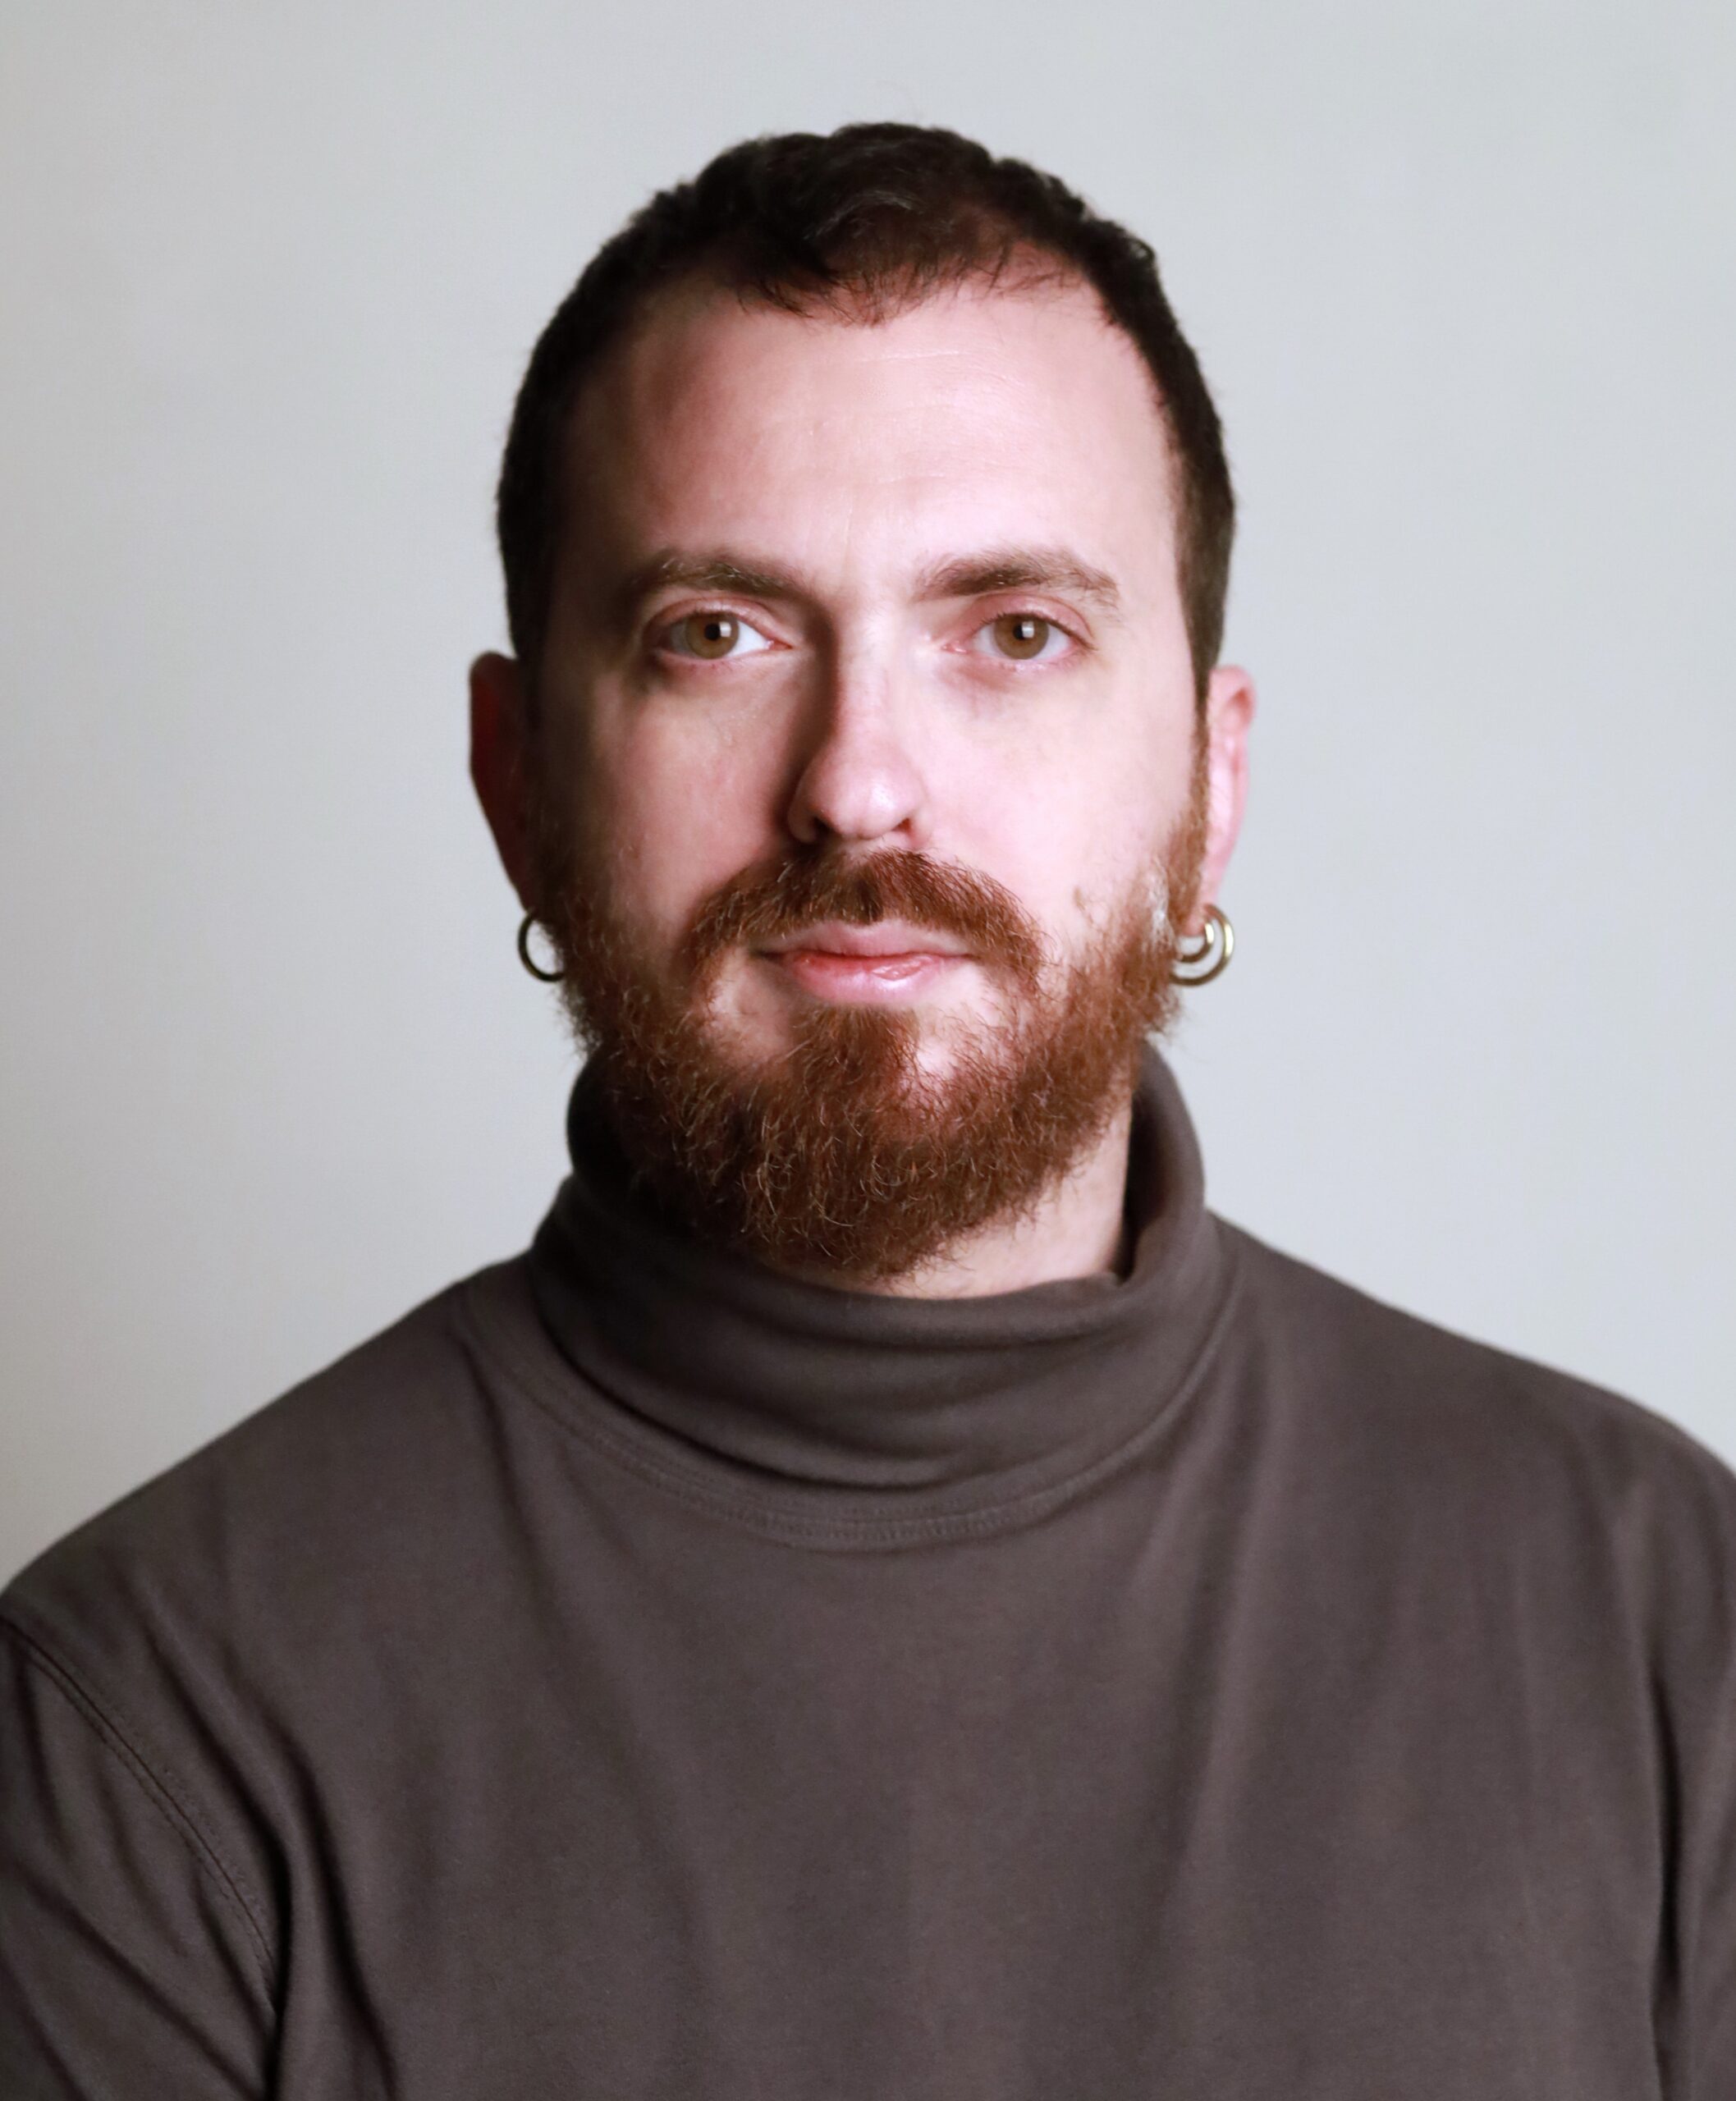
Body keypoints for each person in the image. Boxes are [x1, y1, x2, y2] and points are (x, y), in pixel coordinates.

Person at [2, 121, 1732, 2099]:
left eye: (1013, 632)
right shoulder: (141, 1724)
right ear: (517, 780)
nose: (855, 782)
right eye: (716, 633)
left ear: (1206, 786)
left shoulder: (1657, 1617)